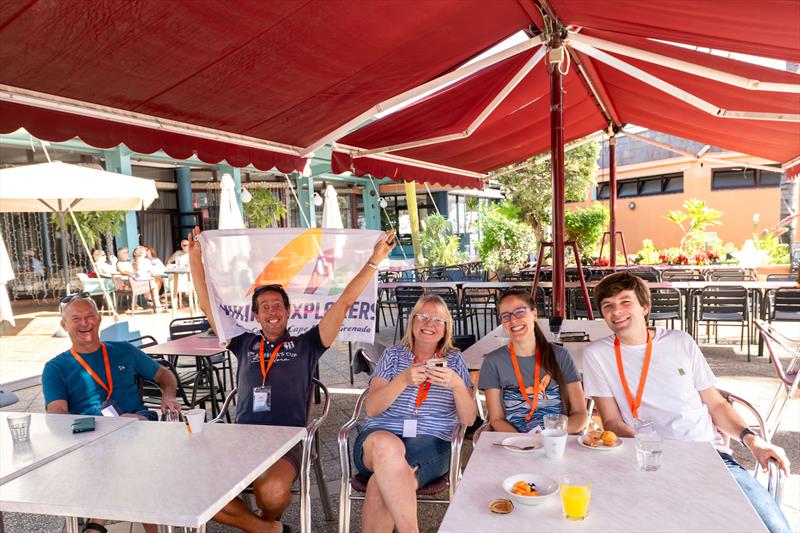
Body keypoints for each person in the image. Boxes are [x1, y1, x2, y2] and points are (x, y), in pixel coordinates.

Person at [189, 226, 396, 533]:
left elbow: (343, 303)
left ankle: (261, 524)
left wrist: (374, 262)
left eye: (277, 306)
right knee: (196, 492)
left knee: (271, 493)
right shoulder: (242, 342)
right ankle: (269, 530)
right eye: (264, 308)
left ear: (288, 311)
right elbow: (207, 305)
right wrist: (195, 258)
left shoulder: (308, 344)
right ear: (256, 316)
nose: (272, 312)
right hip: (241, 439)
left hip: (287, 440)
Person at [582, 272, 791, 533]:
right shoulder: (597, 355)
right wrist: (648, 444)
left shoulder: (679, 342)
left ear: (645, 307)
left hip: (708, 456)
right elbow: (611, 421)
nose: (617, 311)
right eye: (608, 306)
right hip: (648, 462)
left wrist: (752, 440)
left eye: (626, 302)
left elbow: (715, 404)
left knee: (773, 528)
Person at [42, 294, 181, 533]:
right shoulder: (55, 368)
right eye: (76, 318)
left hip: (138, 423)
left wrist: (168, 395)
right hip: (91, 437)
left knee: (130, 436)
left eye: (89, 316)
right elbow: (57, 417)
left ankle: (97, 522)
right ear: (64, 325)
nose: (84, 323)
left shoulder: (124, 350)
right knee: (129, 457)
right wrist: (99, 427)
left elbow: (164, 376)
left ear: (98, 319)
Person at [355, 294, 475, 533]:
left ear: (445, 329)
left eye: (438, 320)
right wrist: (402, 380)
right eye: (423, 316)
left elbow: (469, 419)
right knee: (384, 446)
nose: (429, 324)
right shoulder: (392, 355)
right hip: (380, 436)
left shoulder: (455, 360)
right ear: (412, 321)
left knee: (382, 481)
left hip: (432, 440)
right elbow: (372, 408)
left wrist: (457, 386)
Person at [479, 289, 587, 434]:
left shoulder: (560, 356)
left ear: (534, 314)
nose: (513, 320)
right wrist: (523, 443)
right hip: (515, 444)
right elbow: (497, 419)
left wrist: (551, 436)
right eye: (506, 315)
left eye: (520, 311)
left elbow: (580, 414)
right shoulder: (493, 362)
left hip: (558, 440)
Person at [132, 245, 163, 312]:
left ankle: (134, 303)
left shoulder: (133, 262)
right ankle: (157, 304)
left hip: (135, 285)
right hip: (145, 285)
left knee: (153, 281)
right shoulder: (146, 261)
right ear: (143, 253)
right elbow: (154, 272)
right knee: (154, 284)